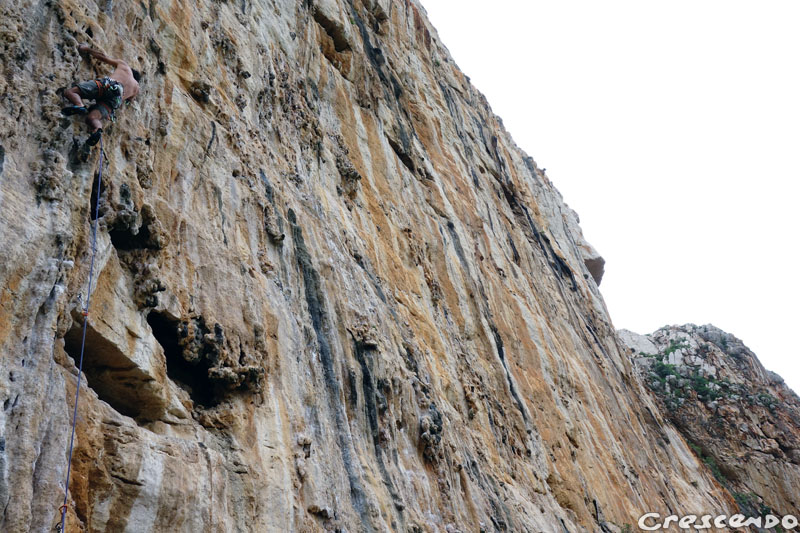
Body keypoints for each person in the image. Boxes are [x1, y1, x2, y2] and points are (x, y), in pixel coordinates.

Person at [62, 44, 141, 146]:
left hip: (109, 86)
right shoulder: (136, 88)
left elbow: (103, 57)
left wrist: (87, 49)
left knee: (71, 92)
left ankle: (79, 105)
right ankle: (97, 129)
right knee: (92, 118)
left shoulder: (125, 67)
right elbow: (129, 101)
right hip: (114, 101)